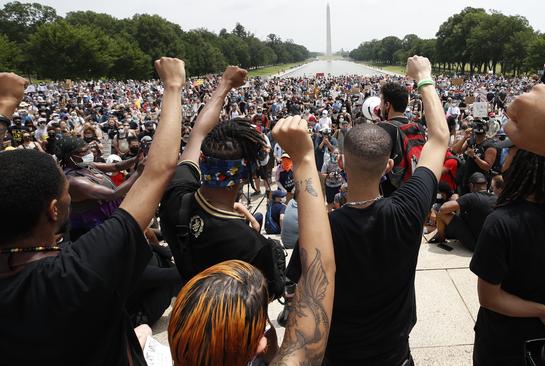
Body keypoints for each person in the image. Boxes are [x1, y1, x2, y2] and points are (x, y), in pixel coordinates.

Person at [0, 58, 186, 364]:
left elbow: (140, 170)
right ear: (53, 210)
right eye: (65, 194)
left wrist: (5, 108)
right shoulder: (78, 269)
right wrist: (174, 85)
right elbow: (160, 171)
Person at [284, 55, 449, 365]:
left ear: (343, 164)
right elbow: (440, 138)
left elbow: (296, 292)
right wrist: (424, 77)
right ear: (388, 166)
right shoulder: (408, 207)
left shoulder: (323, 230)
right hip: (396, 356)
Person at [167, 115, 336, 366]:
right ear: (245, 175)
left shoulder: (175, 199)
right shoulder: (253, 245)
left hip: (192, 316)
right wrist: (304, 157)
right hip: (238, 337)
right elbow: (316, 275)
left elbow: (194, 140)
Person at [158, 67, 284, 300]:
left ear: (204, 161)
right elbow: (268, 295)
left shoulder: (176, 194)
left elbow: (198, 133)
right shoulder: (251, 245)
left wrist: (224, 84)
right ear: (246, 174)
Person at [470, 148, 545, 365]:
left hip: (501, 336)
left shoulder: (500, 222)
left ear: (522, 165)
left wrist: (544, 312)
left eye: (511, 151)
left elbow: (489, 298)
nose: (506, 156)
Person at [56, 136, 141, 240]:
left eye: (88, 148)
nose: (89, 153)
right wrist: (138, 172)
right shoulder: (74, 181)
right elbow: (113, 193)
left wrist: (136, 159)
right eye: (83, 152)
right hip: (95, 227)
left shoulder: (85, 165)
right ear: (70, 157)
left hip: (108, 217)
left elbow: (116, 167)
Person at [378, 81, 426, 196]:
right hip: (413, 189)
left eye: (381, 101)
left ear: (387, 105)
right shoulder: (418, 127)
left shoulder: (383, 128)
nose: (380, 105)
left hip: (391, 194)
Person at [432, 172, 496, 251]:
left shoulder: (471, 197)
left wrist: (457, 200)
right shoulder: (496, 199)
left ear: (472, 185)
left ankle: (441, 239)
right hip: (490, 244)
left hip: (476, 245)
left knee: (442, 214)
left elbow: (443, 209)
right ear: (486, 184)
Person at [452, 118, 498, 195]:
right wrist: (465, 137)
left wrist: (474, 157)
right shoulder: (471, 141)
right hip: (467, 179)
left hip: (479, 182)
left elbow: (487, 166)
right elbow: (455, 151)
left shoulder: (489, 145)